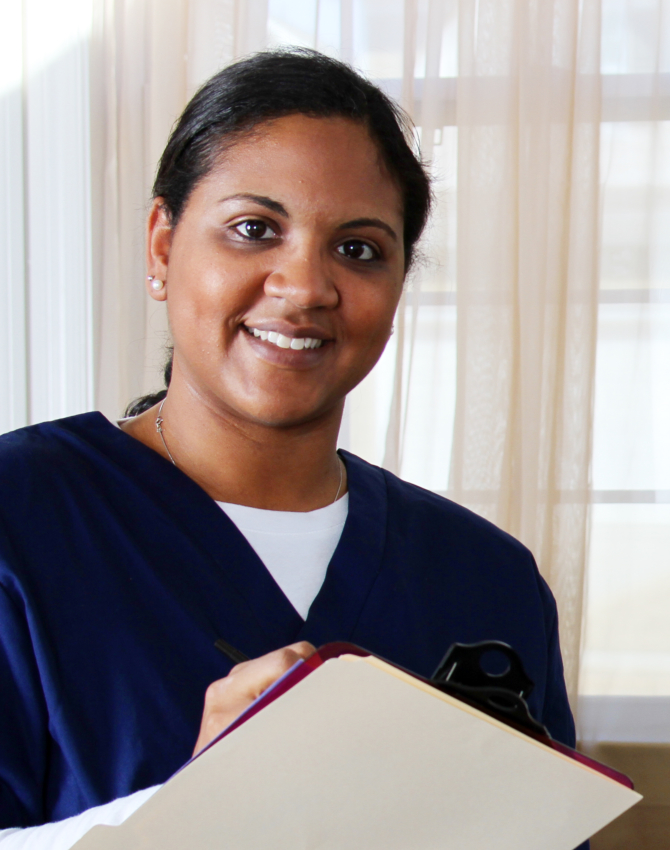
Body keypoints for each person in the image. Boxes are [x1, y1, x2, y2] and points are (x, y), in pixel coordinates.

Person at [0, 49, 575, 846]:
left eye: (359, 248)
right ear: (162, 248)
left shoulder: (486, 579)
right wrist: (188, 817)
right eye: (253, 229)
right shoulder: (22, 520)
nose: (304, 286)